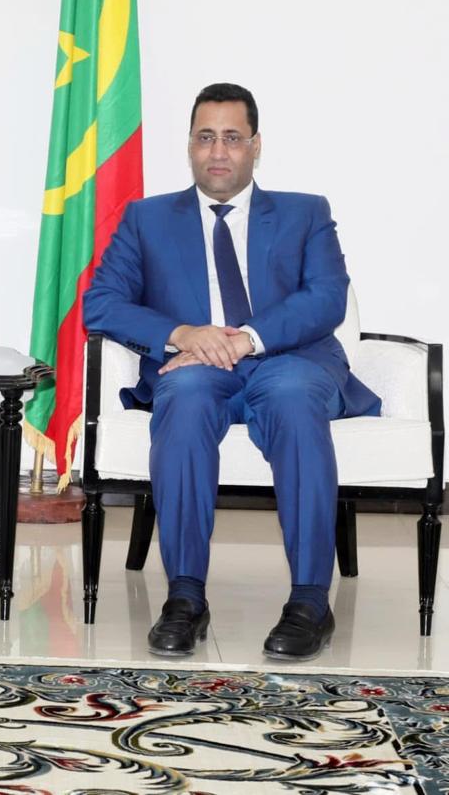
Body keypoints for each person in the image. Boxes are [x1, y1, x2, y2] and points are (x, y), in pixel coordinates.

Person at [82, 83, 380, 661]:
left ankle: (309, 601)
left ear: (255, 146)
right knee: (184, 396)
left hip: (287, 360)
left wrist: (248, 338)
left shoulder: (305, 212)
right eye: (205, 137)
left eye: (232, 138)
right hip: (195, 364)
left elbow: (327, 297)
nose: (218, 152)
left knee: (292, 396)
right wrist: (182, 334)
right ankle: (185, 597)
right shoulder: (147, 219)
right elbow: (102, 303)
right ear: (189, 145)